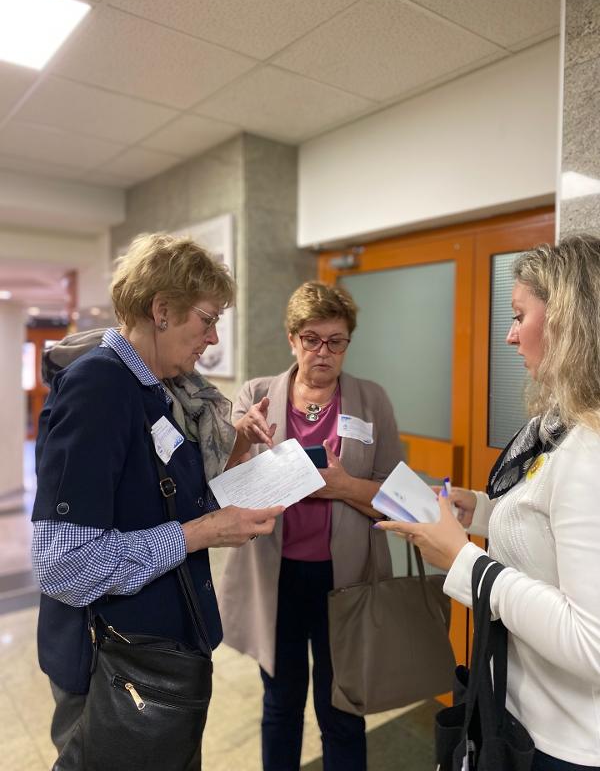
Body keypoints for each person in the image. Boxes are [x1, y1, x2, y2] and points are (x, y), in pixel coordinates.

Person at [31, 233, 284, 768]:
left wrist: (238, 454)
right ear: (162, 310)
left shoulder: (154, 389)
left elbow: (157, 499)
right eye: (207, 319)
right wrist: (204, 532)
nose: (213, 338)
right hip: (111, 668)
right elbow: (65, 566)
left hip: (156, 659)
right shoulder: (98, 388)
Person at [378, 235, 600, 770]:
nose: (510, 335)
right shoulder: (561, 425)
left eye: (520, 316)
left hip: (564, 743)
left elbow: (590, 643)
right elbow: (551, 526)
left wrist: (464, 561)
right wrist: (477, 511)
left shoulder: (590, 449)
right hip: (519, 711)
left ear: (567, 321)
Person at [217, 281, 403, 771]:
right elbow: (226, 490)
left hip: (345, 580)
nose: (323, 352)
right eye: (312, 339)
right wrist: (241, 441)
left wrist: (343, 486)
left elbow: (397, 501)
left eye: (336, 341)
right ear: (292, 339)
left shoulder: (371, 400)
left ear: (347, 342)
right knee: (281, 703)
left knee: (342, 707)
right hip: (275, 576)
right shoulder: (255, 396)